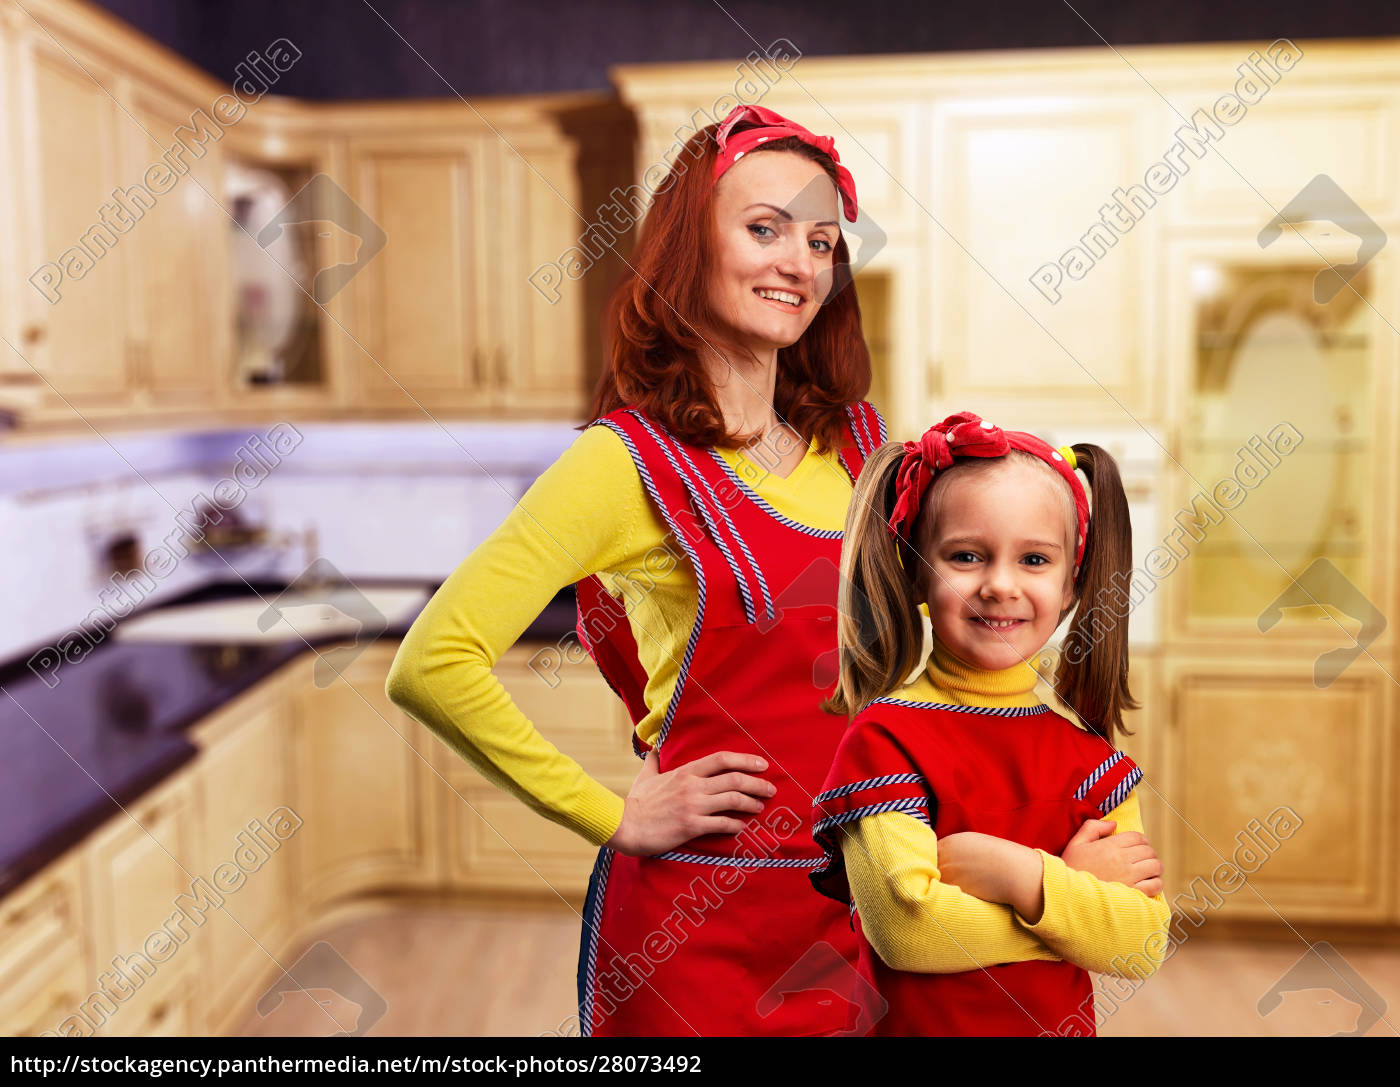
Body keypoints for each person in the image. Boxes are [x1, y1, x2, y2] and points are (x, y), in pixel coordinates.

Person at [385, 103, 888, 1036]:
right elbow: (432, 661)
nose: (800, 263)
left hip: (852, 912)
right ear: (688, 248)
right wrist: (614, 814)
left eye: (822, 241)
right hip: (692, 941)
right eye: (765, 228)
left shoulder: (858, 446)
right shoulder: (623, 464)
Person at [809, 410, 1173, 1036]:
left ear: (1071, 586)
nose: (1000, 585)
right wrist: (1069, 900)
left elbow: (1140, 943)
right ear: (917, 571)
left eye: (1034, 559)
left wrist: (1016, 874)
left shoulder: (1092, 760)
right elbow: (909, 931)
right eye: (968, 556)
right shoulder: (885, 739)